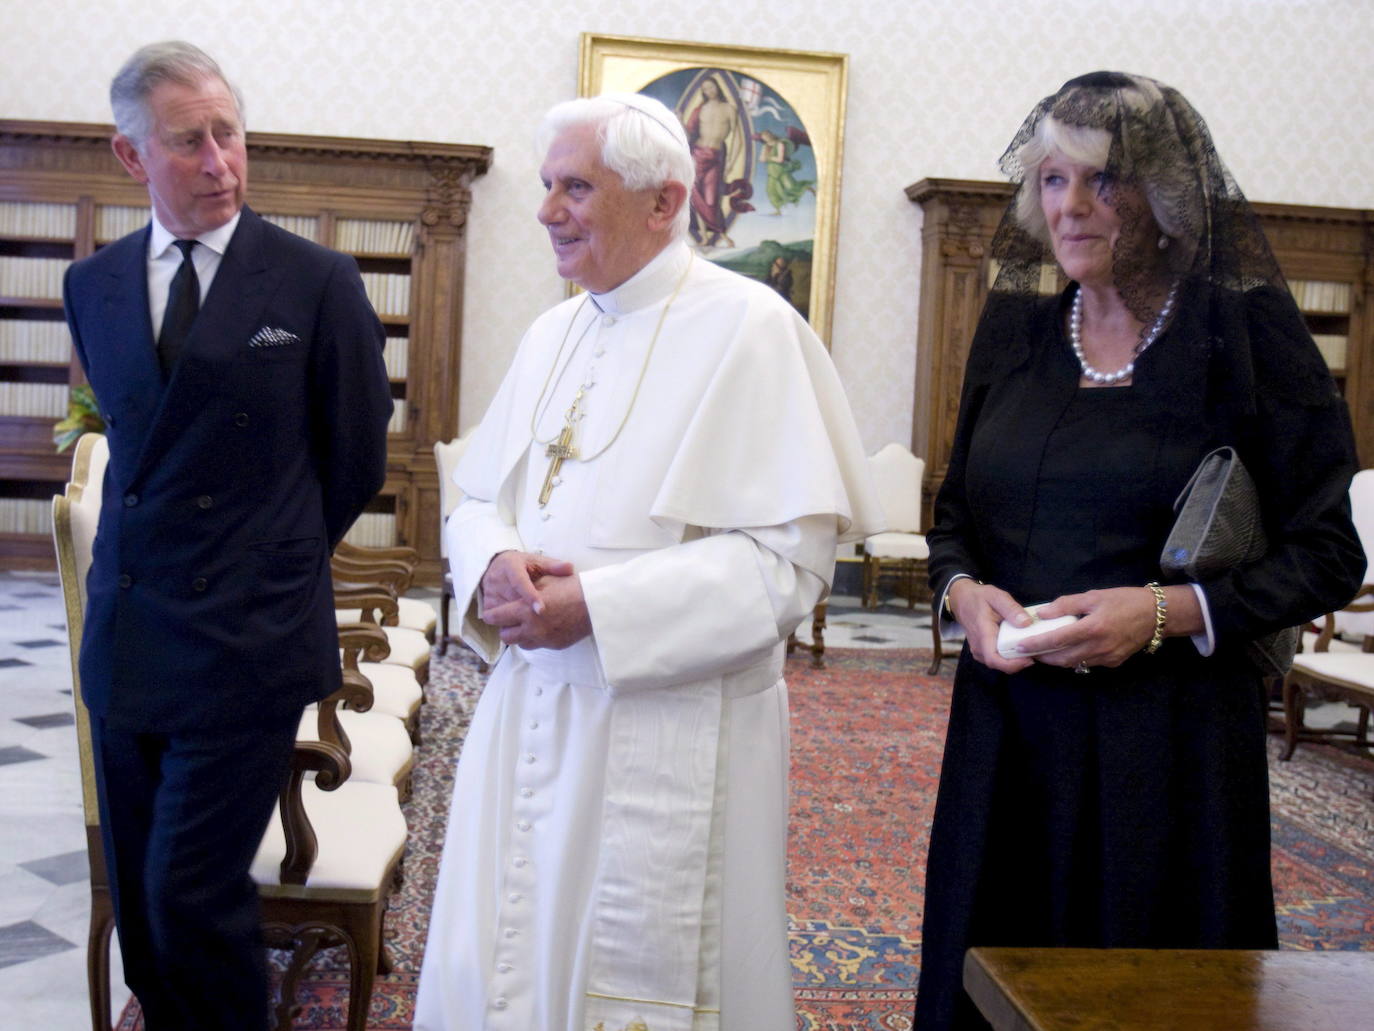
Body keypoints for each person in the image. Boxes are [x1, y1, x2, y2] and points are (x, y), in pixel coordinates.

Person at [415, 92, 880, 1031]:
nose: (547, 210)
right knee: (512, 946)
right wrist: (494, 556)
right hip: (531, 702)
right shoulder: (553, 332)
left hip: (665, 721)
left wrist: (598, 606)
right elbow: (476, 498)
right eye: (548, 186)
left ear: (664, 202)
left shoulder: (750, 330)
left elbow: (786, 568)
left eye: (575, 187)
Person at [916, 71, 1364, 1030]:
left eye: (1103, 180)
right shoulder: (1016, 333)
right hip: (1008, 738)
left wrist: (1161, 613)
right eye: (1051, 179)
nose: (1072, 205)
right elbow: (952, 517)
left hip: (1171, 752)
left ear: (1163, 195)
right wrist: (963, 593)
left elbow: (1328, 551)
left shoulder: (1243, 339)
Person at [62, 41, 392, 1030]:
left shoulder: (315, 281)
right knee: (146, 914)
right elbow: (133, 438)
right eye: (187, 142)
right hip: (129, 640)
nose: (218, 161)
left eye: (228, 134)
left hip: (248, 640)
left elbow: (354, 458)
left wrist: (269, 559)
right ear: (133, 158)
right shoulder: (96, 285)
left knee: (190, 893)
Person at [683, 75, 752, 249]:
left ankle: (721, 232)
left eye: (711, 87)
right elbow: (689, 133)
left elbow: (738, 139)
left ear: (718, 88)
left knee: (712, 198)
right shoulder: (700, 109)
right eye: (705, 89)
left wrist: (731, 162)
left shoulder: (729, 108)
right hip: (697, 154)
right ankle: (705, 237)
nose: (709, 91)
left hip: (715, 156)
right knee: (696, 196)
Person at [755, 128, 815, 215]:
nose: (766, 138)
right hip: (772, 171)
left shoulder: (780, 144)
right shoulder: (765, 146)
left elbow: (780, 159)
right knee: (771, 191)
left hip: (781, 170)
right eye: (764, 137)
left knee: (791, 187)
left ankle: (807, 188)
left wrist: (769, 158)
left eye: (767, 136)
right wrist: (766, 154)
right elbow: (761, 159)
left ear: (771, 135)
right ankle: (778, 210)